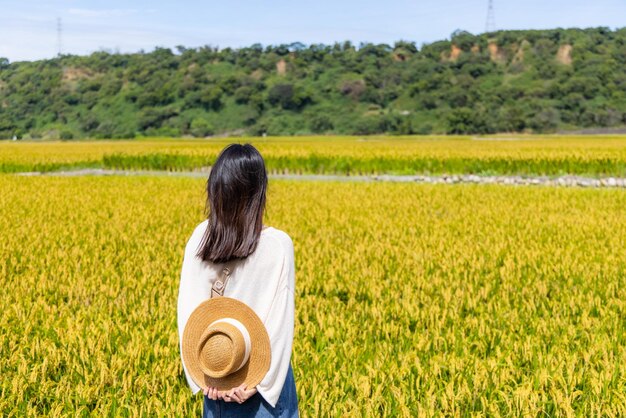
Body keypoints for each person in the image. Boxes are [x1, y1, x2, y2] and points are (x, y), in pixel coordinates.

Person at [177, 143, 299, 417]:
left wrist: (201, 374)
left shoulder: (201, 237)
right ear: (259, 192)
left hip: (216, 374)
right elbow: (279, 323)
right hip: (264, 388)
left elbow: (189, 311)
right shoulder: (278, 245)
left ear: (216, 189)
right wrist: (259, 384)